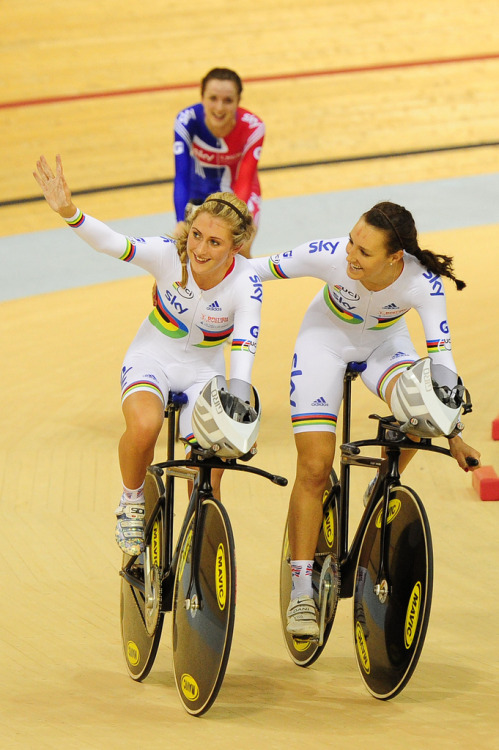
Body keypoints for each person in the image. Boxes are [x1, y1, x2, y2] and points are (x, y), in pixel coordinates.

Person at [249, 201, 481, 638]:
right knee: (316, 467)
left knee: (424, 406)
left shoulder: (423, 283)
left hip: (384, 347)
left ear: (396, 258)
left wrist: (455, 435)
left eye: (364, 251)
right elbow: (252, 271)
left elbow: (443, 367)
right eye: (352, 240)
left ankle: (382, 481)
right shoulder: (330, 254)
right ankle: (302, 588)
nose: (351, 255)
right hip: (325, 341)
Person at [34, 154, 263, 557]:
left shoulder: (246, 281)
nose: (199, 249)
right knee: (145, 427)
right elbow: (112, 243)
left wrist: (239, 394)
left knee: (209, 459)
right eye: (195, 235)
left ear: (236, 246)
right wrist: (69, 211)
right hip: (152, 356)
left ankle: (203, 532)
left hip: (202, 372)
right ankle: (131, 501)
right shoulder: (166, 255)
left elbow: (245, 341)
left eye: (214, 242)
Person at [173, 67, 265, 257]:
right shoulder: (186, 121)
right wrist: (180, 220)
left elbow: (245, 179)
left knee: (240, 250)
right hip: (197, 193)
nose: (219, 108)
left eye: (228, 100)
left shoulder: (253, 127)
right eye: (213, 98)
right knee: (185, 249)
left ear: (238, 102)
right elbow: (181, 176)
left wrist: (234, 220)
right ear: (202, 97)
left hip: (239, 193)